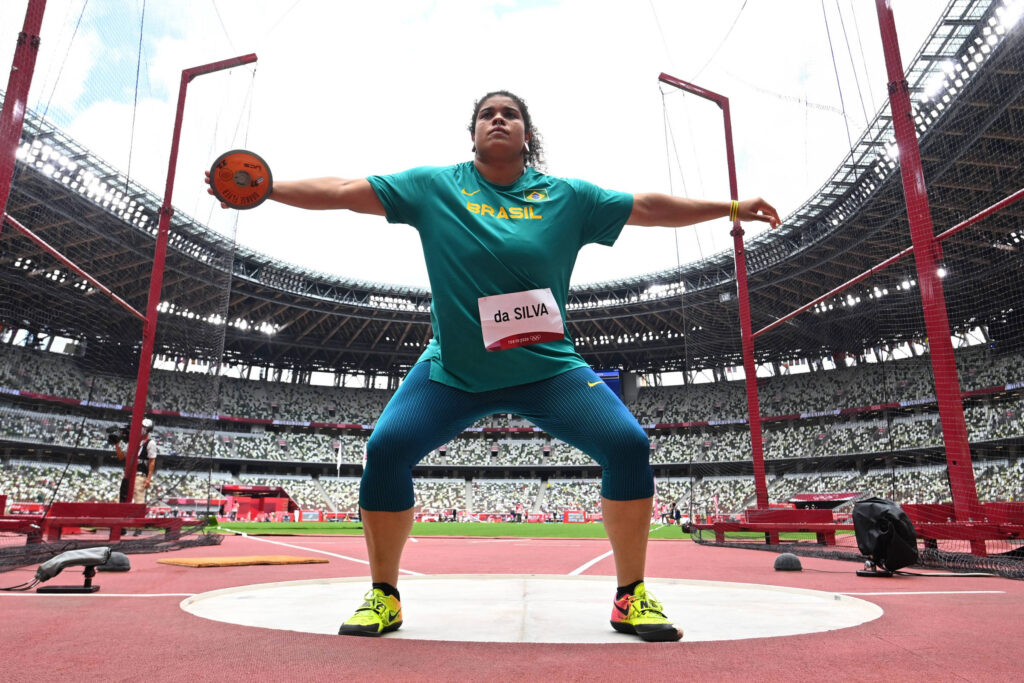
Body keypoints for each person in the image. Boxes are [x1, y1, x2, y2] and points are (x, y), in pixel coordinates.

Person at [207, 90, 780, 642]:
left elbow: (649, 208)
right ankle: (384, 594)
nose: (498, 120)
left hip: (548, 369)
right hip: (453, 371)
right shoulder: (435, 187)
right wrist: (268, 187)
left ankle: (631, 595)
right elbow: (345, 190)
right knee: (385, 449)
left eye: (510, 114)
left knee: (627, 445)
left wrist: (730, 207)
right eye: (487, 114)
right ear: (473, 131)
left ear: (528, 135)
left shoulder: (567, 197)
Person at [116, 417, 158, 505]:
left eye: (144, 427)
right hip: (128, 475)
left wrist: (148, 479)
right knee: (122, 499)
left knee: (139, 500)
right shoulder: (133, 442)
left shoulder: (150, 443)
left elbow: (152, 462)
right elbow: (121, 457)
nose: (142, 428)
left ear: (148, 429)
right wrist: (116, 444)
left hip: (139, 475)